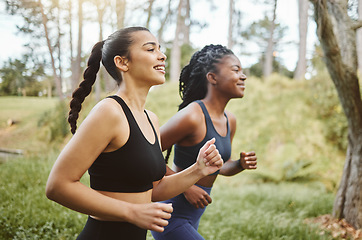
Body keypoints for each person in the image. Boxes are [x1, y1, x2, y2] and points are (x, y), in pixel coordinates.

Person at [45, 27, 223, 240]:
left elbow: (154, 189)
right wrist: (131, 212)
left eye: (160, 49)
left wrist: (198, 169)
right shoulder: (109, 112)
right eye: (150, 49)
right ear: (122, 62)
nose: (162, 55)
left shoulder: (151, 118)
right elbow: (58, 185)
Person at [151, 44, 258, 240]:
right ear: (212, 77)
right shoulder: (193, 116)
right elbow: (145, 152)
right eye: (236, 70)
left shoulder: (230, 120)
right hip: (170, 213)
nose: (243, 76)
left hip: (193, 215)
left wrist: (240, 165)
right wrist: (186, 187)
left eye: (243, 71)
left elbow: (221, 166)